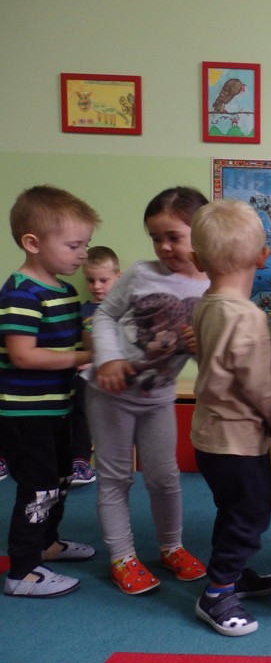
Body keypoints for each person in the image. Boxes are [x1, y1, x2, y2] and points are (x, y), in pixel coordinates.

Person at [85, 186, 210, 595]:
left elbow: (214, 353)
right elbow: (105, 315)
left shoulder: (213, 287)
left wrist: (200, 348)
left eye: (174, 236)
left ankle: (171, 547)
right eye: (156, 238)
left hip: (158, 396)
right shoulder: (141, 274)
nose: (164, 247)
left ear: (202, 233)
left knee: (164, 476)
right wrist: (107, 359)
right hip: (110, 392)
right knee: (115, 477)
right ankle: (122, 556)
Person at [187, 199, 271, 635]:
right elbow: (259, 384)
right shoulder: (247, 317)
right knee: (251, 513)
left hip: (208, 435)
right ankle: (218, 592)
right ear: (263, 257)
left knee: (232, 509)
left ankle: (234, 573)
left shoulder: (206, 304)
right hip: (238, 439)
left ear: (197, 260)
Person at [1, 185, 101, 597]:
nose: (82, 255)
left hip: (58, 407)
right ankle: (22, 572)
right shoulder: (22, 292)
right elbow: (23, 355)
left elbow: (79, 342)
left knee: (59, 479)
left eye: (86, 245)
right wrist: (83, 355)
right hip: (26, 414)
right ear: (33, 243)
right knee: (38, 486)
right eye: (74, 246)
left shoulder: (65, 291)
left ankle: (47, 544)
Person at [69, 245, 122, 486]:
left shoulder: (123, 310)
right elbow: (77, 345)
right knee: (75, 396)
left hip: (114, 370)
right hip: (85, 372)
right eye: (91, 280)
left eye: (103, 280)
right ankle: (78, 460)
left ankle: (86, 459)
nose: (97, 286)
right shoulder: (82, 311)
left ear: (118, 278)